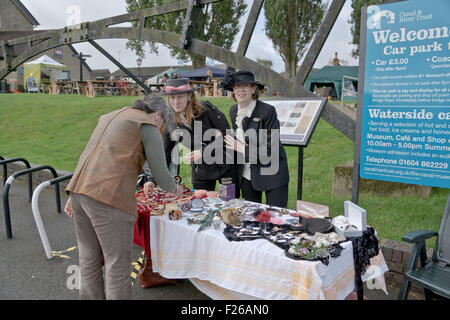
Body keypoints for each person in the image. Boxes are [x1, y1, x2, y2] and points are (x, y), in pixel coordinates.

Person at [64, 95, 183, 300]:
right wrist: (176, 188)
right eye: (163, 124)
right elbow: (161, 173)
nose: (161, 129)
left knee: (89, 259)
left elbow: (90, 155)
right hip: (108, 198)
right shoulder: (148, 125)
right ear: (158, 115)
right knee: (117, 264)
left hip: (79, 192)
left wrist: (74, 194)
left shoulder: (111, 116)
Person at [144, 78, 239, 197]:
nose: (176, 101)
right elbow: (165, 153)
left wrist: (203, 152)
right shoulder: (170, 121)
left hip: (226, 167)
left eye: (180, 97)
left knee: (228, 203)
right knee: (200, 206)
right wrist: (152, 179)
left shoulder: (208, 110)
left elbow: (227, 137)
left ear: (189, 96)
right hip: (201, 171)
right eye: (172, 97)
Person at [220, 70, 290, 208]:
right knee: (250, 218)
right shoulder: (233, 111)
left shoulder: (267, 111)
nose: (241, 90)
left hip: (273, 174)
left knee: (276, 219)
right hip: (247, 174)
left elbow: (271, 151)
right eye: (237, 86)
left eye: (245, 86)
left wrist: (240, 148)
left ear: (253, 89)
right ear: (232, 90)